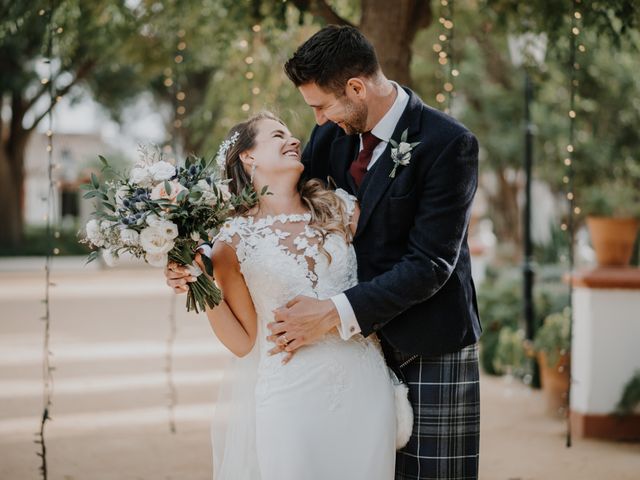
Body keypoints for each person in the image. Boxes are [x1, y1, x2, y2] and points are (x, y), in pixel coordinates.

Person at [265, 25, 482, 480]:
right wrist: (204, 253)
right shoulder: (332, 136)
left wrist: (330, 312)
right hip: (350, 356)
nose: (318, 121)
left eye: (321, 106)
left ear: (357, 88)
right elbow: (284, 203)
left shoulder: (449, 144)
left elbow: (431, 264)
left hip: (429, 344)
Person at [166, 111, 397, 479]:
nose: (293, 140)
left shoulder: (342, 208)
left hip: (364, 389)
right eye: (277, 135)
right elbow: (244, 342)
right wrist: (200, 284)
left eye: (291, 135)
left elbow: (391, 275)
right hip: (290, 396)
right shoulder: (231, 241)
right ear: (248, 156)